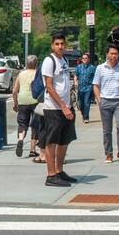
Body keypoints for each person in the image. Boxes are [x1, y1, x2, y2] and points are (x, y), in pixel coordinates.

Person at [33, 33, 76, 187]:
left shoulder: (63, 60)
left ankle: (59, 171)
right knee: (51, 142)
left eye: (62, 43)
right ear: (52, 45)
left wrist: (69, 104)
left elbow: (65, 84)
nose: (60, 46)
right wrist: (63, 107)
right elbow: (49, 87)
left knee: (64, 141)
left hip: (66, 107)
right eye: (57, 44)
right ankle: (51, 175)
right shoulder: (49, 61)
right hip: (54, 108)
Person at [11, 55, 40, 158]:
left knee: (22, 123)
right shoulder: (38, 74)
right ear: (36, 63)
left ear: (27, 63)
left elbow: (14, 91)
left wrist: (15, 103)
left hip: (22, 100)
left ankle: (20, 139)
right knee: (35, 125)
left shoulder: (21, 74)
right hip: (36, 100)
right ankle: (32, 150)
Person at [74, 53, 96, 123]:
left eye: (86, 58)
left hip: (89, 87)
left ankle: (86, 118)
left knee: (87, 102)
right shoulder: (79, 67)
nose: (84, 60)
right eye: (83, 58)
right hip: (81, 87)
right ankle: (84, 115)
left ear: (88, 59)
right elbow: (76, 76)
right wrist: (75, 82)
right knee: (81, 104)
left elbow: (96, 77)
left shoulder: (92, 68)